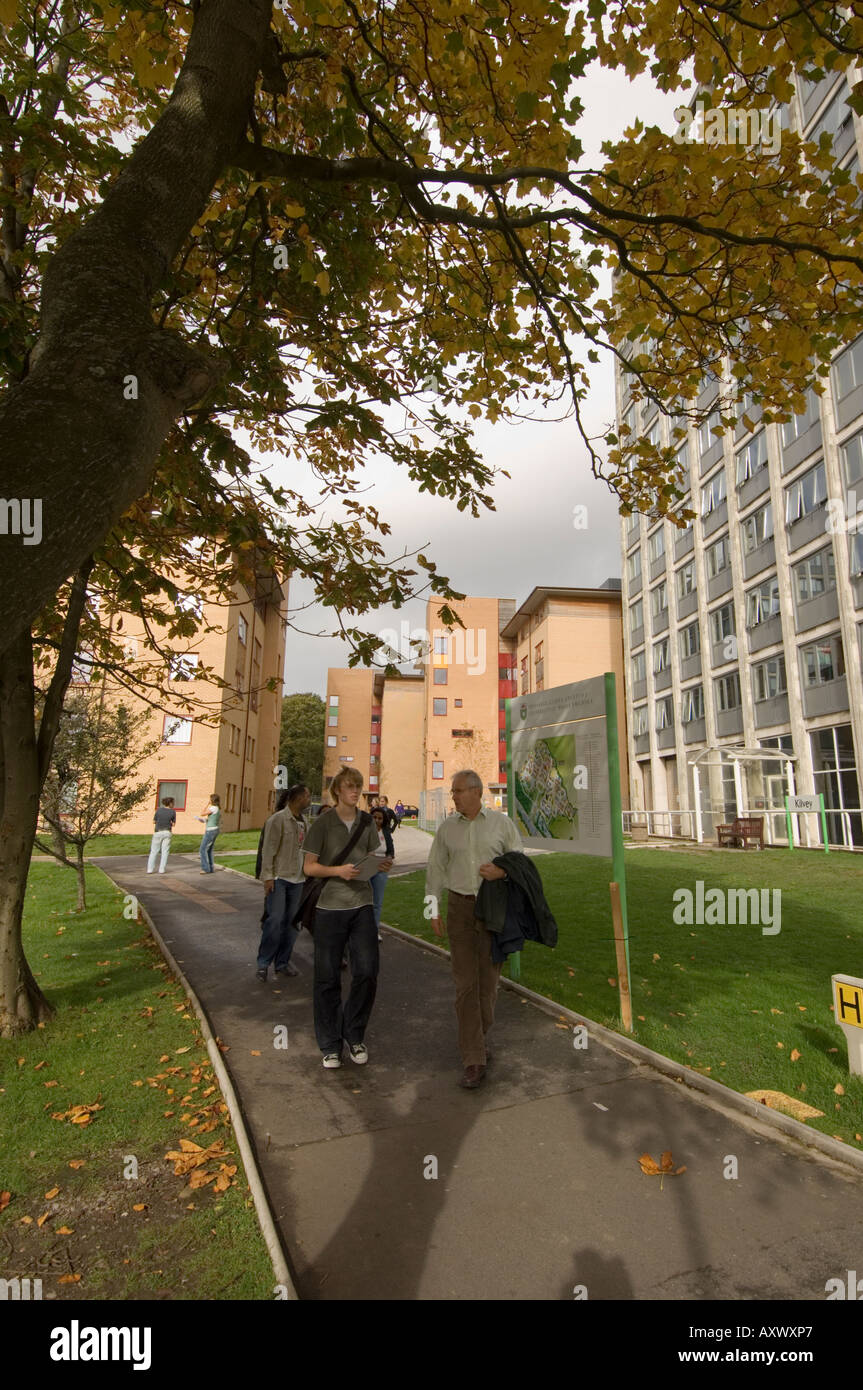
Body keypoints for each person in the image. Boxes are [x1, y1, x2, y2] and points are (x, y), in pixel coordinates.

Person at [425, 769, 521, 1090]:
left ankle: (478, 1039)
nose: (453, 796)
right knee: (465, 983)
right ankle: (473, 1058)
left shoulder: (501, 825)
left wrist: (501, 872)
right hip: (459, 909)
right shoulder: (447, 829)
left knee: (488, 985)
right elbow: (436, 869)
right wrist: (432, 907)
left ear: (476, 792)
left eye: (458, 791)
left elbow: (519, 864)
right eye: (453, 791)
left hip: (493, 910)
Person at [302, 767, 392, 1070]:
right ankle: (329, 1044)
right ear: (337, 790)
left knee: (367, 971)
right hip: (329, 908)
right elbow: (309, 868)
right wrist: (337, 871)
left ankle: (354, 1034)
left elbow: (368, 857)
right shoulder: (323, 824)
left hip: (362, 904)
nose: (355, 792)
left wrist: (378, 866)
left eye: (358, 787)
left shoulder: (367, 822)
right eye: (350, 787)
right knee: (327, 976)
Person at [256, 783, 311, 982]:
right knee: (275, 920)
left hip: (298, 880)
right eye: (307, 796)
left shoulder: (304, 822)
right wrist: (268, 877)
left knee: (292, 923)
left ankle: (282, 962)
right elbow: (268, 850)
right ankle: (263, 963)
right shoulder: (278, 820)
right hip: (279, 878)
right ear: (298, 798)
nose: (309, 800)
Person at [370, 806, 394, 943]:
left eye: (380, 818)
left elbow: (390, 850)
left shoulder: (385, 832)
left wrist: (389, 858)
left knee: (377, 903)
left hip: (381, 870)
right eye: (374, 817)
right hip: (367, 869)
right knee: (365, 902)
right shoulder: (366, 831)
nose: (377, 820)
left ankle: (375, 930)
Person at [147, 797, 176, 874]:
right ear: (170, 803)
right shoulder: (173, 812)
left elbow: (154, 821)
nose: (173, 804)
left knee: (154, 851)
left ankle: (150, 869)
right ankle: (161, 869)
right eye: (173, 803)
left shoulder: (159, 810)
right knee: (165, 852)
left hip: (158, 832)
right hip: (167, 832)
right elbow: (173, 824)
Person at [196, 792, 221, 873]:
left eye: (210, 799)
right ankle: (210, 868)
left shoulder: (213, 808)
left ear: (212, 800)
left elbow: (202, 813)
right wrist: (202, 820)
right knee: (209, 850)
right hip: (214, 829)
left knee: (202, 849)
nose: (209, 800)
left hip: (210, 831)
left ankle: (205, 868)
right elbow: (210, 819)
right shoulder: (217, 808)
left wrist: (207, 804)